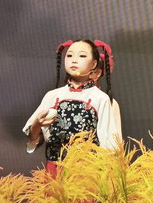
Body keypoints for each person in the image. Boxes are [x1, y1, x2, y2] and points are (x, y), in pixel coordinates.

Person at [24, 40, 119, 176]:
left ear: (94, 64)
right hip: (53, 168)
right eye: (69, 55)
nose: (74, 60)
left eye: (82, 56)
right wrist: (37, 125)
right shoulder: (52, 96)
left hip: (86, 172)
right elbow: (33, 141)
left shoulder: (100, 98)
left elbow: (109, 143)